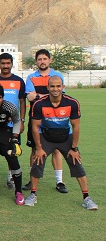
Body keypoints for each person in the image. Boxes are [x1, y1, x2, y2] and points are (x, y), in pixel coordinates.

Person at [24, 76, 98, 210]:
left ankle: (86, 198)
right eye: (52, 86)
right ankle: (33, 195)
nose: (55, 89)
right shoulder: (39, 104)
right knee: (37, 161)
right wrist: (39, 148)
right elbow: (35, 127)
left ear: (63, 87)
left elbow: (76, 126)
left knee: (77, 163)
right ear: (48, 88)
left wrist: (74, 148)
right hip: (46, 137)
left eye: (58, 86)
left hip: (65, 137)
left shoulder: (72, 103)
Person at [24, 49, 67, 193]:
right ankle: (32, 179)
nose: (42, 61)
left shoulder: (57, 75)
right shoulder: (31, 77)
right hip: (36, 116)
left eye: (44, 59)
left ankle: (59, 181)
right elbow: (30, 97)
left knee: (56, 149)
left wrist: (38, 95)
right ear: (36, 61)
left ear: (49, 60)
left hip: (55, 118)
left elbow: (59, 95)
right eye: (39, 59)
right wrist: (47, 95)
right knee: (35, 149)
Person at [0, 53, 26, 189]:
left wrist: (22, 120)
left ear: (12, 64)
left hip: (12, 123)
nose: (5, 66)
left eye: (8, 63)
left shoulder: (19, 81)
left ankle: (11, 178)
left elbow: (22, 101)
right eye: (3, 63)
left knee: (12, 151)